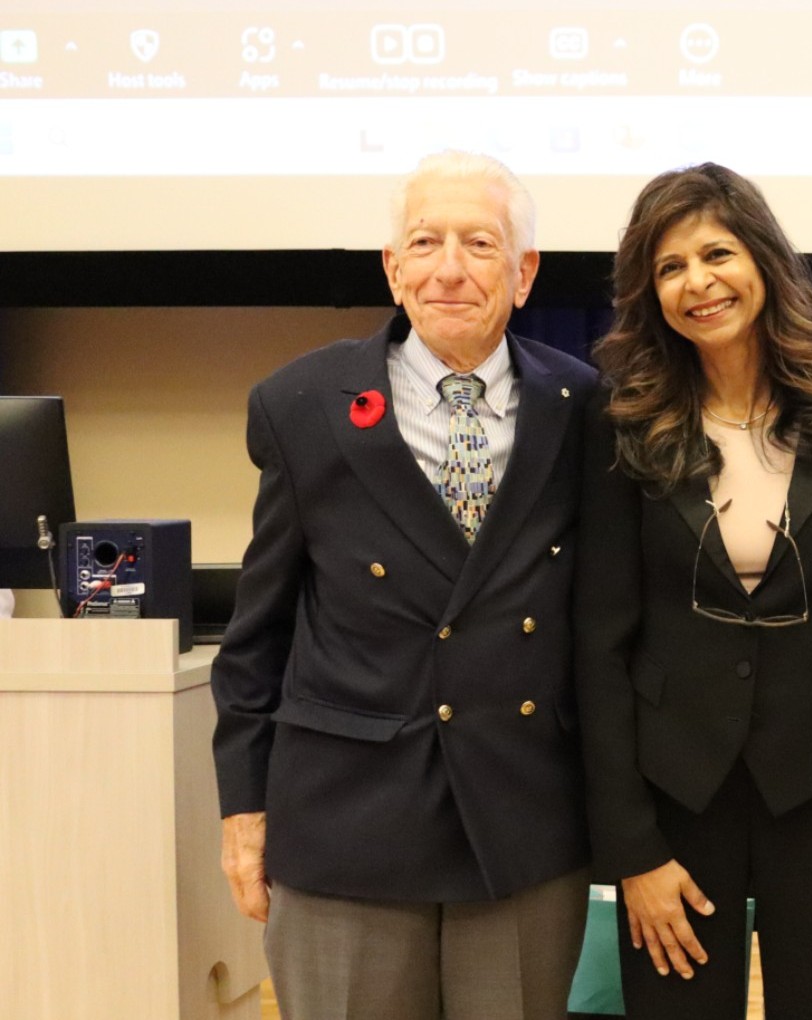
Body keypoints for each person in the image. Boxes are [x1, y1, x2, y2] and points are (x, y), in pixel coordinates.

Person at [211, 151, 597, 1020]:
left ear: (525, 272)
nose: (449, 269)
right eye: (424, 242)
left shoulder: (585, 408)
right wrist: (244, 810)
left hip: (521, 830)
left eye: (481, 243)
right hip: (347, 828)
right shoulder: (303, 403)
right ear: (393, 267)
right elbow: (256, 637)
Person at [575, 162, 812, 1020]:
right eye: (670, 267)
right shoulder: (620, 426)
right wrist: (631, 850)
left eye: (717, 253)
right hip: (675, 794)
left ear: (765, 262)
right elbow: (599, 649)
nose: (698, 282)